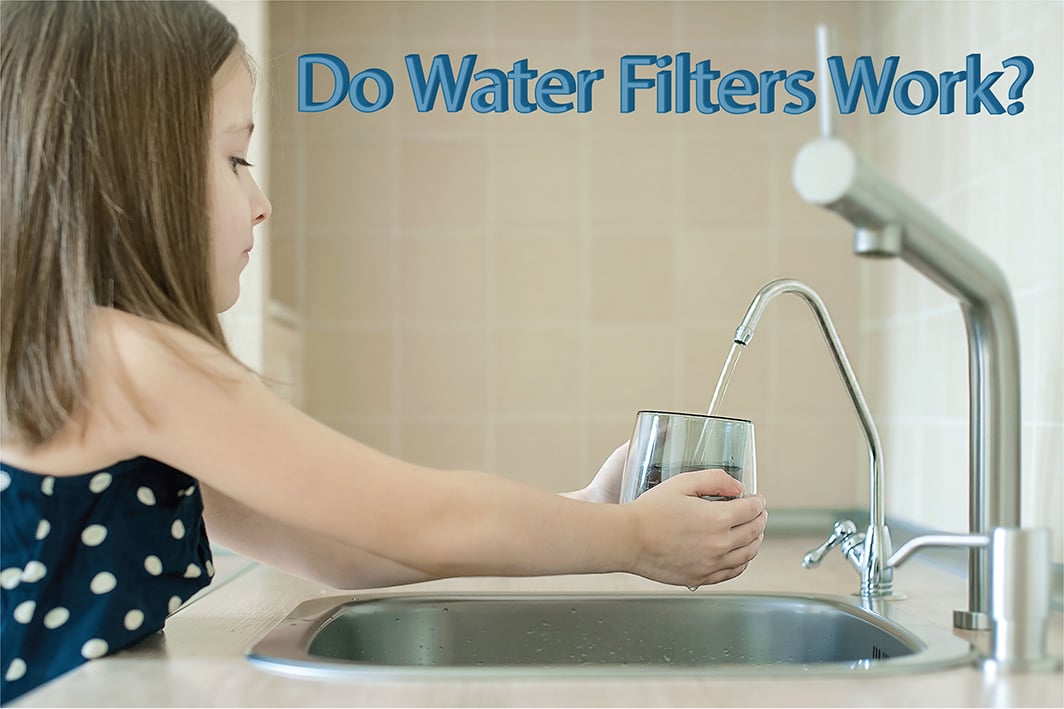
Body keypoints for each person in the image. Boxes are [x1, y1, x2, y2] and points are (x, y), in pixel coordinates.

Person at [0, 1, 768, 702]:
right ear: (134, 170)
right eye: (236, 159)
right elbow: (429, 517)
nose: (262, 201)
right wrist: (633, 540)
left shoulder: (91, 363)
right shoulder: (132, 361)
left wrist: (592, 509)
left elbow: (343, 545)